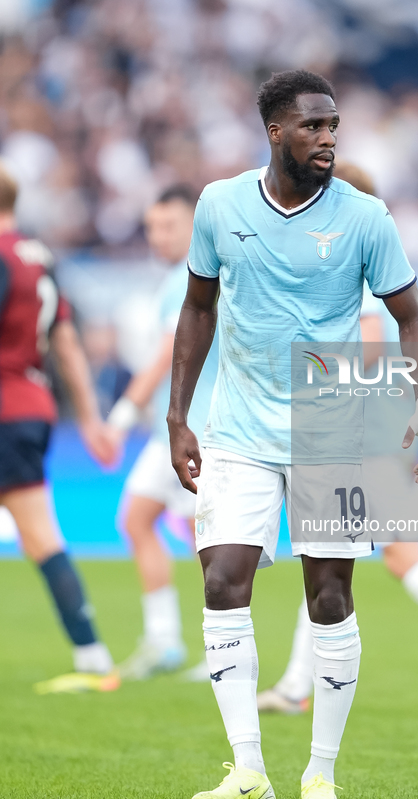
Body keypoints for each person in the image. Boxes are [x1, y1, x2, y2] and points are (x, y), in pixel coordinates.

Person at [167, 70, 418, 799]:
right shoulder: (220, 205)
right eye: (312, 126)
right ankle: (247, 769)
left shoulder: (364, 216)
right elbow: (197, 307)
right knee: (223, 579)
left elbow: (411, 317)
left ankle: (319, 771)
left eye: (333, 127)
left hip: (331, 415)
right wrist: (176, 415)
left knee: (329, 593)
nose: (326, 139)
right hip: (239, 424)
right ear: (274, 131)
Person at [258, 163, 418, 719]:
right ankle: (299, 684)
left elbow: (369, 352)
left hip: (363, 435)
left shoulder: (353, 262)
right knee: (327, 550)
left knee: (397, 554)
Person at [0, 161, 120, 694]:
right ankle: (92, 652)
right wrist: (90, 415)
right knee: (40, 534)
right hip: (32, 404)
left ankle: (93, 653)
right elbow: (66, 342)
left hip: (4, 404)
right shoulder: (40, 256)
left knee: (40, 534)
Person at [108, 186, 218, 681]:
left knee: (207, 540)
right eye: (152, 227)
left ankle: (221, 644)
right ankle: (164, 640)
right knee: (136, 518)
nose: (158, 237)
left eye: (168, 226)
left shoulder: (189, 278)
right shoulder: (179, 278)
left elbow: (164, 355)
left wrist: (122, 413)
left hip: (195, 429)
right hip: (169, 430)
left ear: (193, 227)